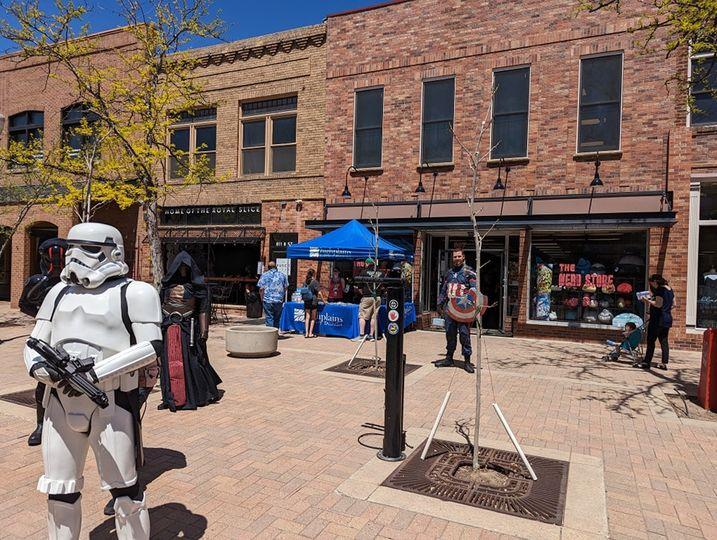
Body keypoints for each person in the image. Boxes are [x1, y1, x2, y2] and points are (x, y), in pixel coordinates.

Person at [23, 222, 162, 539]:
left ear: (113, 251)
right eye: (70, 248)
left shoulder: (136, 293)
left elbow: (151, 347)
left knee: (125, 491)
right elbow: (34, 341)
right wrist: (40, 369)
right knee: (60, 490)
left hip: (111, 402)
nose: (74, 255)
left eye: (87, 248)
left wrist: (96, 373)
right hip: (59, 401)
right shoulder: (58, 293)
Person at [18, 237, 67, 447]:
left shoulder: (75, 282)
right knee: (43, 380)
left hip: (73, 332)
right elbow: (24, 304)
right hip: (48, 335)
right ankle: (41, 423)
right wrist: (43, 317)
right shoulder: (38, 281)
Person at [158, 251, 222, 411]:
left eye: (186, 268)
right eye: (179, 268)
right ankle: (170, 395)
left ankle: (196, 394)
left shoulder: (199, 288)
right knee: (168, 361)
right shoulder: (166, 286)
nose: (182, 271)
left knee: (192, 361)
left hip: (188, 327)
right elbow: (159, 306)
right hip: (168, 326)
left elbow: (203, 309)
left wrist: (204, 331)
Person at [435, 249, 477, 373]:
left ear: (463, 257)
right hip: (450, 310)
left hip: (463, 311)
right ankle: (449, 358)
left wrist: (471, 307)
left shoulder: (469, 272)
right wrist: (439, 303)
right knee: (450, 334)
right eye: (454, 257)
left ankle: (467, 361)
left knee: (464, 334)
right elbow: (444, 289)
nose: (457, 258)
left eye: (459, 256)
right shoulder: (449, 273)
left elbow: (474, 290)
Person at [640, 274, 674, 370]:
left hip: (658, 319)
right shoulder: (670, 290)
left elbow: (658, 304)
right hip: (667, 318)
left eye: (651, 283)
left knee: (651, 340)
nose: (652, 286)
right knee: (664, 341)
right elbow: (673, 304)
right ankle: (664, 363)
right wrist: (666, 309)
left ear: (655, 281)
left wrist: (647, 300)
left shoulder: (660, 290)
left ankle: (647, 361)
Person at [357, 258, 383, 341]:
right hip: (378, 297)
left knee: (362, 316)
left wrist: (363, 293)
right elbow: (384, 287)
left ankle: (361, 335)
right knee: (374, 317)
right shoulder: (381, 273)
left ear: (367, 264)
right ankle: (371, 336)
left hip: (367, 296)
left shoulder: (363, 272)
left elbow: (359, 286)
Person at [257, 261, 288, 328]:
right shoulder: (282, 275)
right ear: (276, 266)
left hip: (268, 300)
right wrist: (281, 295)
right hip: (278, 300)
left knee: (269, 317)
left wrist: (261, 298)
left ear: (268, 267)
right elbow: (286, 287)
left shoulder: (264, 275)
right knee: (277, 318)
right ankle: (275, 334)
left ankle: (270, 335)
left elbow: (261, 289)